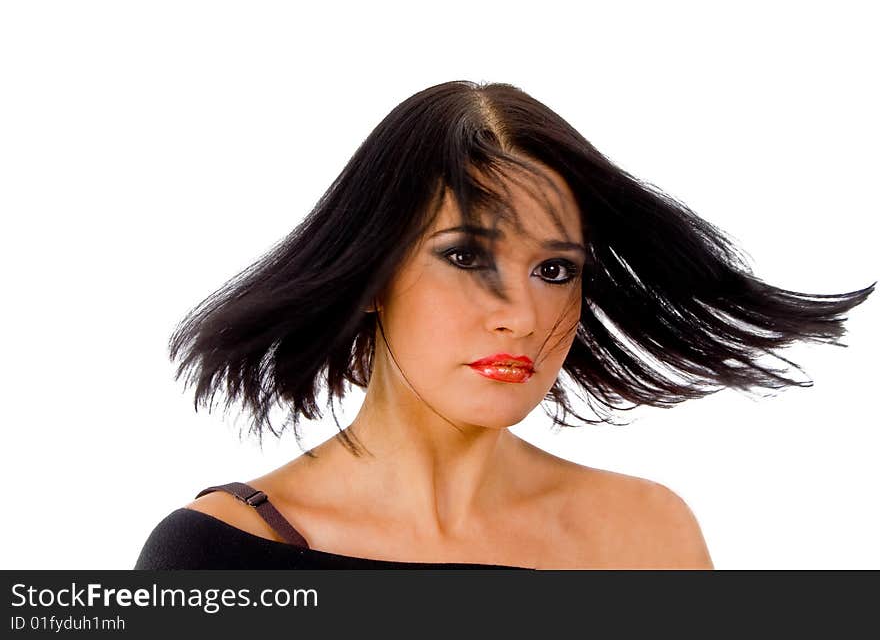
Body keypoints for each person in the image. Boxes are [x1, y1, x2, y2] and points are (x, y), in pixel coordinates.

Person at [134, 80, 874, 570]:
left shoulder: (649, 536)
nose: (521, 316)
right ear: (371, 276)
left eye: (554, 270)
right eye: (464, 255)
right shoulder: (221, 555)